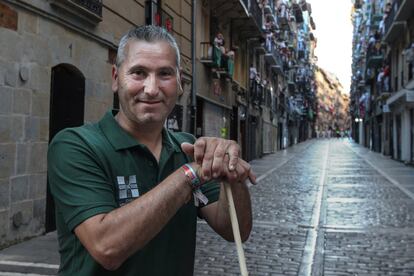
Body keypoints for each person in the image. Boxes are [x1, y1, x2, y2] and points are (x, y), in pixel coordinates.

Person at [48, 25, 256, 276]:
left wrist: (231, 175)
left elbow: (236, 230)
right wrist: (189, 175)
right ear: (116, 78)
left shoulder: (188, 148)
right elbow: (106, 247)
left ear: (179, 83)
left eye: (165, 74)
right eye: (138, 73)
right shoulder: (76, 145)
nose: (151, 88)